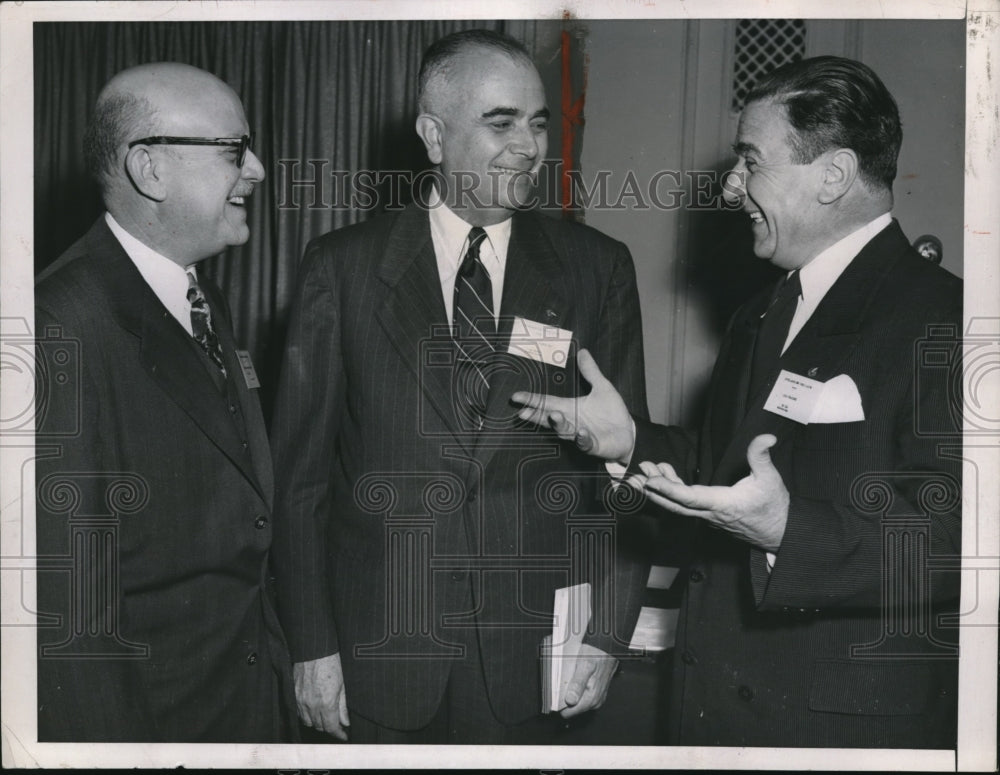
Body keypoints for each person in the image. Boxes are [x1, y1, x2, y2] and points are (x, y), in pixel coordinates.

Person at [513, 56, 962, 748]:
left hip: (841, 734)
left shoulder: (949, 318)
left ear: (834, 175)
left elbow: (962, 538)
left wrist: (790, 530)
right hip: (717, 710)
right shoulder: (763, 312)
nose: (730, 187)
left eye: (751, 161)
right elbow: (726, 465)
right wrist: (629, 439)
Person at [270, 29, 651, 744]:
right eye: (501, 121)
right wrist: (311, 644)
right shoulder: (342, 269)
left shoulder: (595, 269)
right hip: (375, 655)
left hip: (531, 660)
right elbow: (299, 482)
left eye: (539, 123)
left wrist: (606, 634)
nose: (530, 145)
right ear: (433, 135)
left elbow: (623, 467)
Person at [34, 62, 296, 742]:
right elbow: (72, 617)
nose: (259, 169)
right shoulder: (59, 324)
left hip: (243, 708)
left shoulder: (200, 297)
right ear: (149, 169)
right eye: (234, 150)